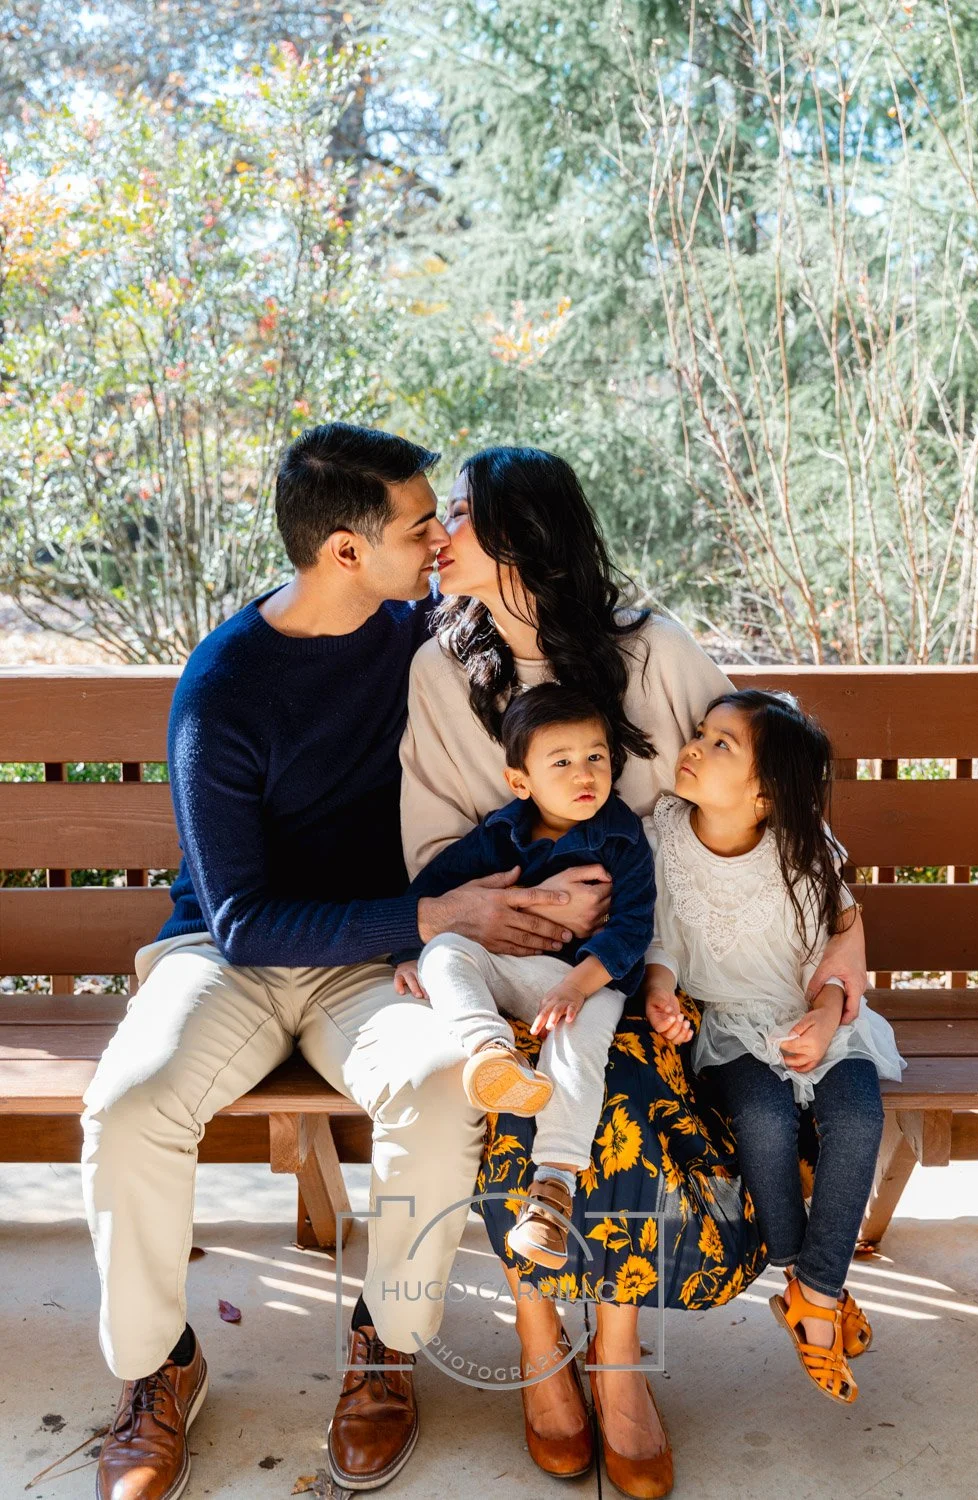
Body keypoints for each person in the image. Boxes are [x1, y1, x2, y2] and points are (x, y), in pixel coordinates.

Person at [80, 423, 596, 1500]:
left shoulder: (426, 627)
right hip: (232, 956)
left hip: (379, 963)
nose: (442, 539)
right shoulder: (222, 692)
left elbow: (554, 631)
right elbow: (244, 922)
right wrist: (432, 913)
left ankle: (385, 1345)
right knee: (128, 1107)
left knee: (440, 1088)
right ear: (347, 554)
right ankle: (156, 1367)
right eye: (421, 526)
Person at [399, 445, 870, 1498]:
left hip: (659, 963)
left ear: (523, 537)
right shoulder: (441, 672)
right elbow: (429, 854)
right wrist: (510, 911)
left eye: (465, 513)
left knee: (616, 1062)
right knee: (510, 1072)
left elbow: (770, 788)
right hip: (507, 960)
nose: (442, 532)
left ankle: (613, 1356)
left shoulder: (652, 653)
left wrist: (841, 939)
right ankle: (537, 1347)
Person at [645, 689, 903, 1404]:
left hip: (820, 1020)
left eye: (720, 743)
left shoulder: (808, 853)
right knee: (762, 1119)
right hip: (729, 1028)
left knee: (856, 1118)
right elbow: (661, 936)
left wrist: (824, 1019)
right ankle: (800, 1274)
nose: (693, 746)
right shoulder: (663, 836)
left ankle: (818, 1295)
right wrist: (660, 989)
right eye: (700, 733)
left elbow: (836, 956)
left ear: (764, 794)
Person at [394, 682, 655, 1273]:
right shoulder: (499, 833)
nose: (583, 773)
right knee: (447, 950)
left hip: (587, 981)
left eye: (596, 757)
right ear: (521, 781)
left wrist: (578, 985)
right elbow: (428, 898)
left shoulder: (622, 839)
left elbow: (633, 926)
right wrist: (412, 952)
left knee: (578, 1044)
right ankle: (492, 1052)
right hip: (509, 973)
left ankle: (551, 1190)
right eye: (560, 762)